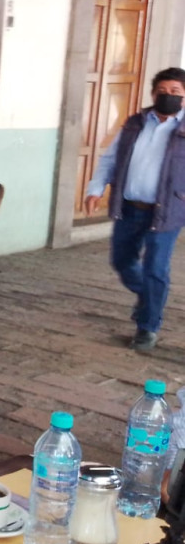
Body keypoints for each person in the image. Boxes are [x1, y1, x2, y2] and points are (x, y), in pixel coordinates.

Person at [84, 67, 185, 350]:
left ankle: (148, 326)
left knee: (156, 268)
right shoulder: (135, 123)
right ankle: (148, 296)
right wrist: (95, 188)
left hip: (166, 211)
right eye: (162, 91)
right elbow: (110, 158)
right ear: (153, 94)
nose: (168, 96)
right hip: (130, 207)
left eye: (175, 92)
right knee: (121, 260)